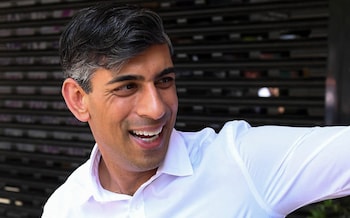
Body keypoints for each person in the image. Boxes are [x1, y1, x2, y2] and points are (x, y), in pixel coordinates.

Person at [42, 2, 350, 218]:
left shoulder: (239, 160)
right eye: (127, 87)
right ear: (78, 100)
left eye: (164, 81)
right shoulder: (64, 209)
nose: (156, 108)